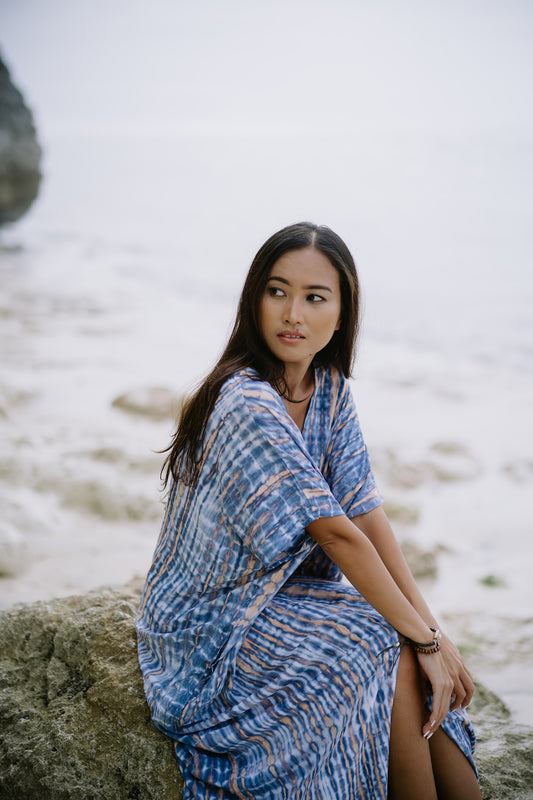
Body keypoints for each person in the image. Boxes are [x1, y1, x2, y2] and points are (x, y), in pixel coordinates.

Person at [136, 222, 481, 799]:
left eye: (315, 298)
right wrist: (423, 642)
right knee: (386, 645)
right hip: (212, 627)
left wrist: (433, 636)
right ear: (255, 299)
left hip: (288, 598)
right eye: (277, 292)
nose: (292, 314)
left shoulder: (329, 388)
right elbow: (337, 535)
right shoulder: (245, 400)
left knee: (404, 642)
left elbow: (366, 514)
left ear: (341, 315)